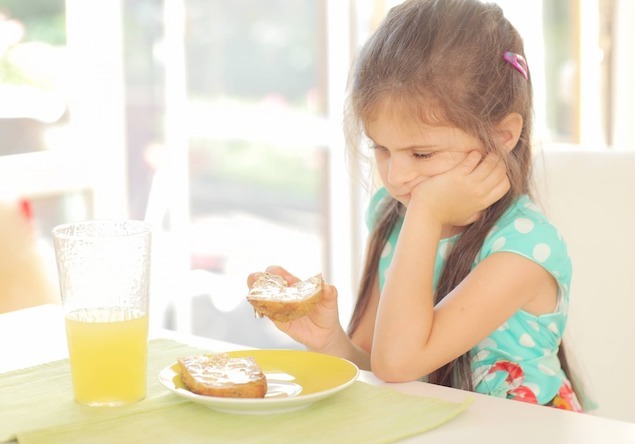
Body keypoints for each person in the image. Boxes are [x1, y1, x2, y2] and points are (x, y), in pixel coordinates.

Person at [247, 0, 583, 411]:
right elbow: (379, 370)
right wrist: (331, 339)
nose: (397, 177)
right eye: (382, 148)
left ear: (504, 135)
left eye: (421, 154)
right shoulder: (392, 214)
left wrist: (425, 215)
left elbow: (397, 362)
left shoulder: (524, 250)